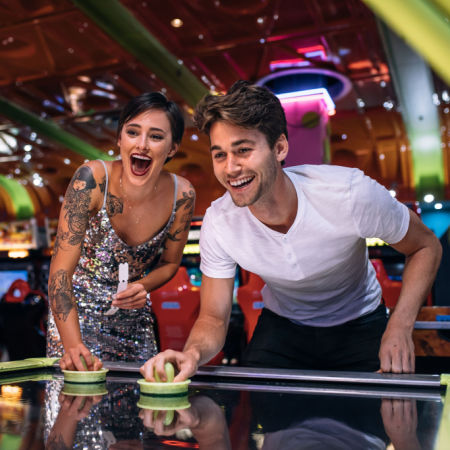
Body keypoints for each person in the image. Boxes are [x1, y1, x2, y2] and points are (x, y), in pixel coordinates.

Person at [141, 80, 441, 381]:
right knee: (260, 418)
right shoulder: (219, 222)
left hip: (360, 322)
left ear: (280, 148)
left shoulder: (349, 193)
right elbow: (213, 317)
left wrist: (400, 326)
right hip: (282, 328)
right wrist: (191, 354)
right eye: (220, 155)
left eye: (243, 150)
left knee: (384, 421)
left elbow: (426, 247)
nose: (230, 168)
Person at [47, 92, 195, 371]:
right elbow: (59, 274)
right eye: (132, 132)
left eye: (156, 136)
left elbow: (170, 263)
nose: (142, 145)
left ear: (173, 148)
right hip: (75, 323)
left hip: (135, 324)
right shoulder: (91, 179)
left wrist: (143, 286)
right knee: (78, 408)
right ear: (119, 139)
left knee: (140, 409)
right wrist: (72, 345)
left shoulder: (182, 194)